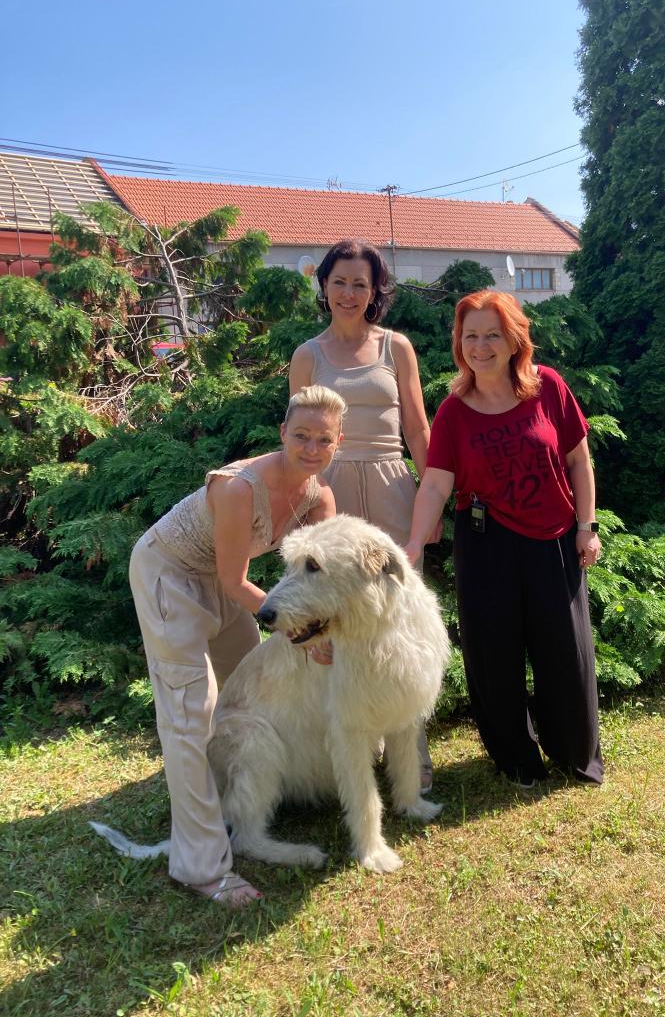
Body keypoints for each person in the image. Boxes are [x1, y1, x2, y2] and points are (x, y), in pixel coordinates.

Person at [128, 385, 346, 907]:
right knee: (191, 710)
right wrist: (298, 632)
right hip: (169, 575)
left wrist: (322, 635)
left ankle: (236, 803)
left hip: (224, 582)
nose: (311, 448)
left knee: (249, 690)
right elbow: (234, 580)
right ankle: (201, 867)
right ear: (282, 433)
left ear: (338, 443)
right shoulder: (238, 488)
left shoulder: (320, 498)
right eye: (301, 435)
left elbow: (321, 582)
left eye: (324, 439)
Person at [404, 290, 604, 788]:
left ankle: (574, 754)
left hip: (554, 539)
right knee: (494, 656)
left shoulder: (549, 387)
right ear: (459, 344)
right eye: (470, 335)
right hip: (486, 543)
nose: (481, 346)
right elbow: (436, 484)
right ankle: (516, 760)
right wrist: (414, 544)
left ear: (515, 339)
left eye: (492, 334)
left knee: (566, 652)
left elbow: (579, 461)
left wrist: (587, 527)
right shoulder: (453, 411)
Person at [289, 238, 437, 790]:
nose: (349, 293)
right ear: (324, 286)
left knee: (400, 619)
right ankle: (349, 753)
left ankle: (413, 754)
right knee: (337, 627)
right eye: (340, 282)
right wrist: (304, 503)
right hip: (330, 495)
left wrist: (431, 499)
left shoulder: (397, 347)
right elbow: (300, 437)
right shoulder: (308, 355)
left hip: (394, 487)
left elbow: (417, 428)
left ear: (375, 291)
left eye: (361, 283)